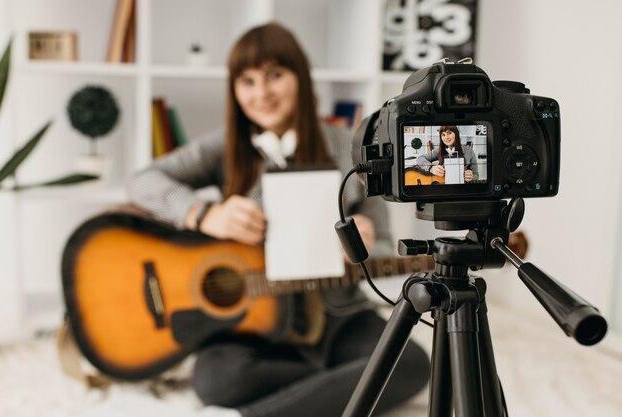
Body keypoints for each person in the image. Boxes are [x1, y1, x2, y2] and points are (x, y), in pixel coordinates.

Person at [128, 22, 429, 417]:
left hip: (339, 316)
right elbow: (142, 182)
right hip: (252, 324)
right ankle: (338, 382)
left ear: (300, 78)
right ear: (234, 91)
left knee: (412, 363)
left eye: (274, 75)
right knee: (217, 380)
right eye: (247, 81)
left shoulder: (351, 147)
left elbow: (388, 249)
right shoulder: (225, 147)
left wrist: (366, 246)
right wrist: (203, 213)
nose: (261, 93)